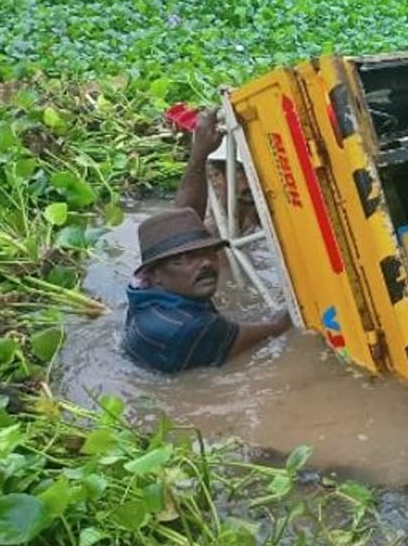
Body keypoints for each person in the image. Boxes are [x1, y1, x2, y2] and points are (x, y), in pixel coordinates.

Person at [122, 108, 291, 373]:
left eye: (207, 252)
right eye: (184, 258)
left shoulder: (144, 287)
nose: (204, 264)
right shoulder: (193, 328)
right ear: (155, 275)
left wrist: (199, 152)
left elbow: (183, 217)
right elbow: (277, 328)